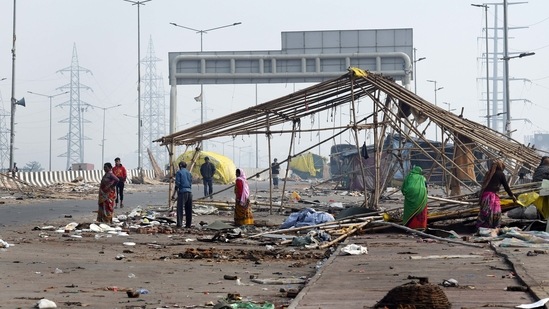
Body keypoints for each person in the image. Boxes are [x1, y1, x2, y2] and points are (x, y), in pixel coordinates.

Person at [476, 160, 517, 230]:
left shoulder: (489, 173)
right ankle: (493, 228)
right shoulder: (500, 174)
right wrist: (512, 196)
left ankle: (482, 228)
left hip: (485, 196)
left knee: (485, 213)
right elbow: (506, 187)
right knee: (495, 212)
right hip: (491, 196)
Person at [401, 166, 428, 230]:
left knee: (410, 210)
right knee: (421, 209)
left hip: (410, 195)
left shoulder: (408, 177)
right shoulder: (422, 178)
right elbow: (426, 186)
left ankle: (411, 225)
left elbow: (403, 187)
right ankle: (421, 226)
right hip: (421, 195)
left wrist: (405, 193)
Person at [175, 161, 193, 228]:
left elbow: (177, 182)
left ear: (180, 166)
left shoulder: (179, 172)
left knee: (180, 209)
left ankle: (179, 224)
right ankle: (188, 224)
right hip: (189, 192)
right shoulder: (189, 173)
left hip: (182, 192)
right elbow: (191, 182)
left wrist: (176, 188)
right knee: (188, 209)